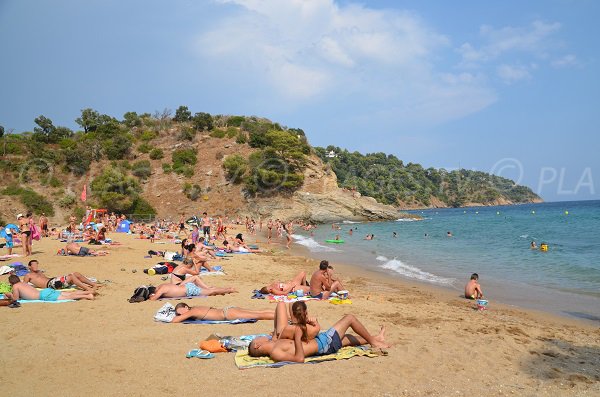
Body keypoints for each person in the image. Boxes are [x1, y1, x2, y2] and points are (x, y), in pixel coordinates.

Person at [248, 302, 390, 362]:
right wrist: (298, 338)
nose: (260, 337)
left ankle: (376, 338)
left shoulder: (275, 344)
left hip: (322, 341)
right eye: (258, 339)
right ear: (257, 346)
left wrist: (275, 335)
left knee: (346, 339)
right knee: (349, 318)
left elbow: (281, 335)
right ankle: (374, 342)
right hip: (324, 344)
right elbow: (299, 359)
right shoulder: (275, 352)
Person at [23, 259, 98, 292]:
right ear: (29, 266)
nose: (36, 266)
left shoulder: (39, 272)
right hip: (50, 285)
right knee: (71, 276)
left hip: (53, 281)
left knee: (76, 274)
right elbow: (24, 286)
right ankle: (88, 289)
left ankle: (93, 285)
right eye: (34, 265)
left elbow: (46, 278)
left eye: (37, 264)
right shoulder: (28, 275)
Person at [6, 275, 94, 301]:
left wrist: (10, 295)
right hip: (46, 291)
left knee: (68, 297)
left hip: (43, 295)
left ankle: (88, 296)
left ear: (11, 283)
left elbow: (16, 298)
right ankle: (87, 293)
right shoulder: (22, 283)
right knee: (68, 294)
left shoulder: (15, 286)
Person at [171, 302, 275, 323]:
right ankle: (283, 314)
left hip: (228, 314)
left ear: (186, 307)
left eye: (181, 312)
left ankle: (286, 317)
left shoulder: (192, 311)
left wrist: (178, 316)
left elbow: (174, 321)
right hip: (228, 309)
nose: (182, 315)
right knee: (259, 312)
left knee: (259, 315)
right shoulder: (196, 307)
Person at [148, 279, 236, 300]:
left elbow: (153, 299)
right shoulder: (162, 285)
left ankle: (229, 290)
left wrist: (150, 296)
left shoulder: (160, 290)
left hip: (189, 290)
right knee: (210, 290)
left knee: (211, 291)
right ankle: (226, 289)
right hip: (187, 286)